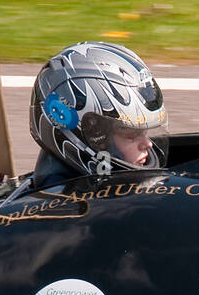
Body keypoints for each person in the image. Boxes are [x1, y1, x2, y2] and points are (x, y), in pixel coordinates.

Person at [28, 42, 168, 189]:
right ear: (96, 137)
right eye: (131, 135)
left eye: (144, 133)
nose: (148, 144)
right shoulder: (64, 203)